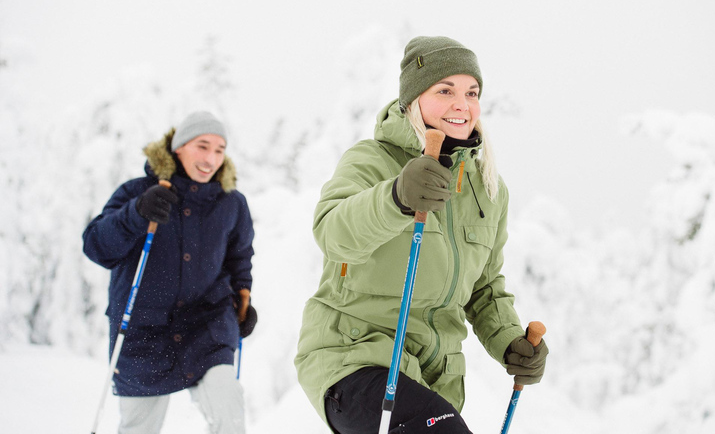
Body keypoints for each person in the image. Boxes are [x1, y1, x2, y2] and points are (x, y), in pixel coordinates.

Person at [294, 36, 549, 433]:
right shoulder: (371, 160)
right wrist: (395, 197)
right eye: (444, 90)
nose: (461, 104)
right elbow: (332, 232)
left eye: (471, 92)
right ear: (414, 98)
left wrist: (509, 341)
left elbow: (484, 288)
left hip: (435, 381)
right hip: (355, 358)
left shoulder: (486, 188)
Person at [83, 111, 257, 434]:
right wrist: (136, 213)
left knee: (228, 408)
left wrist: (243, 297)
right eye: (202, 146)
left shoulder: (231, 203)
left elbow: (239, 257)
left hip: (206, 325)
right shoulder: (139, 191)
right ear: (178, 148)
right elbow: (95, 246)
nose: (211, 158)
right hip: (143, 331)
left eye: (219, 150)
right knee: (139, 428)